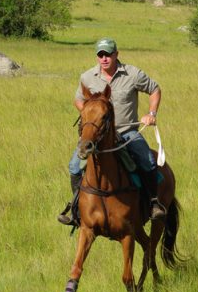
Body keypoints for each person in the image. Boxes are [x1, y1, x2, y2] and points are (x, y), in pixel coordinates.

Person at [58, 38, 166, 225]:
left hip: (126, 132)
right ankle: (77, 211)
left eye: (108, 54)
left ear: (116, 54)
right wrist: (89, 115)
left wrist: (151, 113)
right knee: (75, 166)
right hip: (98, 136)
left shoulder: (133, 74)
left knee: (147, 161)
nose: (104, 58)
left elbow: (154, 89)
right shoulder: (87, 77)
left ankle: (153, 203)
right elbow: (78, 99)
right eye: (100, 54)